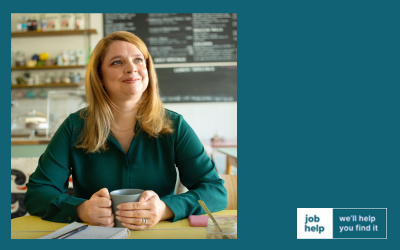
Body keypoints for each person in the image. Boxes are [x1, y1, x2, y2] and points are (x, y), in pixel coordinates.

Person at [24, 31, 228, 230]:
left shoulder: (174, 125)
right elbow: (37, 193)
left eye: (139, 60)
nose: (132, 68)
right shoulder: (74, 125)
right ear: (99, 76)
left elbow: (215, 191)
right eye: (117, 62)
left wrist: (165, 208)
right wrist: (82, 209)